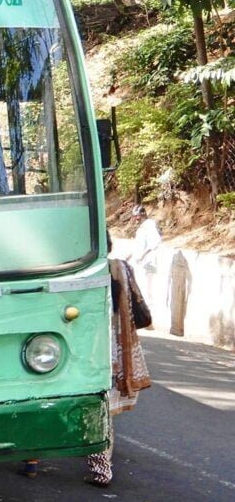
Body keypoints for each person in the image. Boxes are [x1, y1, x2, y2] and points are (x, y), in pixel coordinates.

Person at [86, 232, 153, 486]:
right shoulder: (121, 268)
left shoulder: (78, 272)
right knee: (105, 407)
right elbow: (137, 303)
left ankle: (32, 461)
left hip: (86, 347)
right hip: (115, 346)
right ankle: (101, 466)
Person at [130, 204, 161, 306]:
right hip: (142, 260)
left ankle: (151, 301)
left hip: (149, 259)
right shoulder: (141, 228)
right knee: (144, 280)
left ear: (142, 215)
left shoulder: (149, 225)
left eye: (137, 216)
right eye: (135, 217)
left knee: (150, 279)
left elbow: (154, 243)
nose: (136, 219)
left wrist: (143, 255)